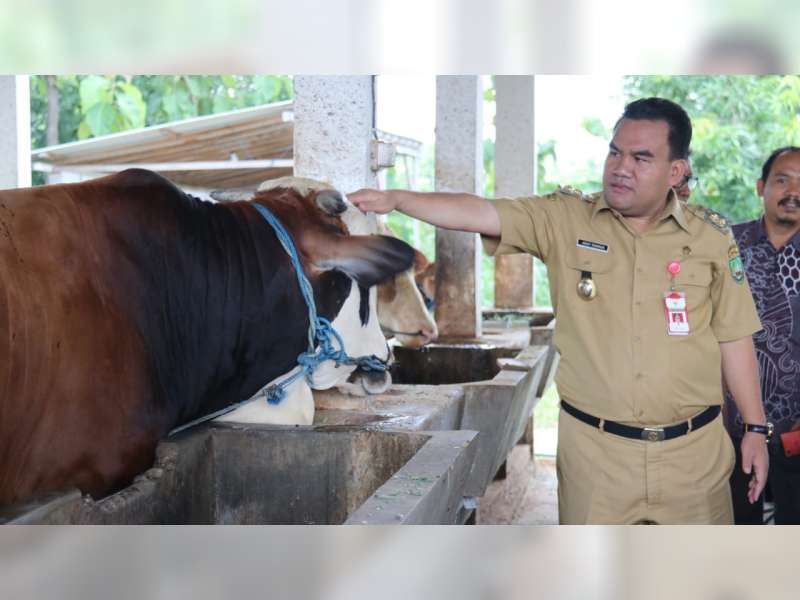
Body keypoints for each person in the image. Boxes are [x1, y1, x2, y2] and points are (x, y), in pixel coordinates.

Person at [350, 97, 770, 524]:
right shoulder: (565, 219)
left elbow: (734, 335)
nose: (621, 167)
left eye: (641, 158)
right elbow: (479, 211)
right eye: (615, 152)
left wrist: (755, 428)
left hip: (693, 458)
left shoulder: (710, 238)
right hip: (596, 458)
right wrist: (398, 199)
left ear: (675, 171)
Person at [725, 146, 800, 525]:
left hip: (797, 433)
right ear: (761, 187)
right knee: (739, 533)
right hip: (729, 429)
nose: (793, 191)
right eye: (783, 179)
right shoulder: (725, 246)